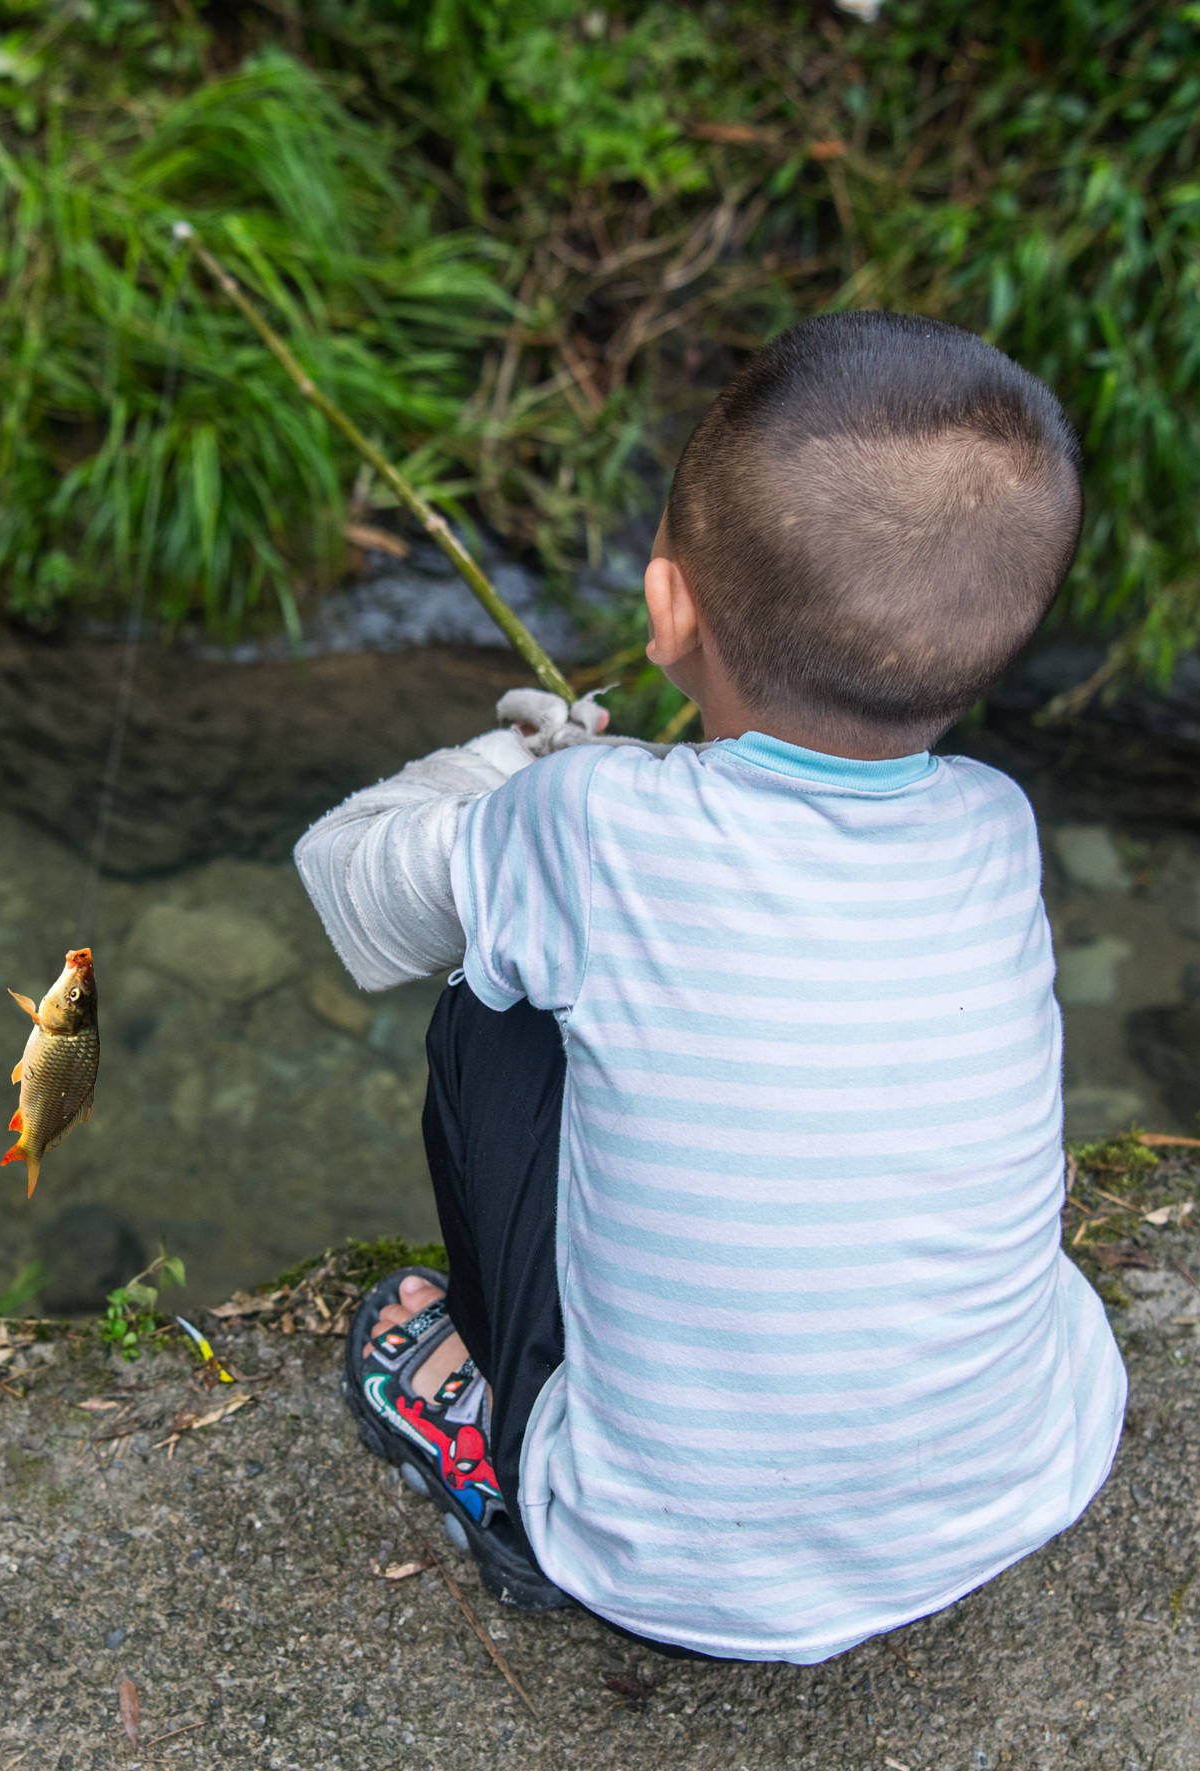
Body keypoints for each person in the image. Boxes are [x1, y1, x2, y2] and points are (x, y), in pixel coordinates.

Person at [293, 311, 1124, 1665]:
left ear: (668, 608)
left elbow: (350, 892)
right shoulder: (995, 826)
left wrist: (512, 780)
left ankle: (493, 1444)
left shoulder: (591, 828)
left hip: (652, 1561)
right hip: (1011, 1484)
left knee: (492, 1008)